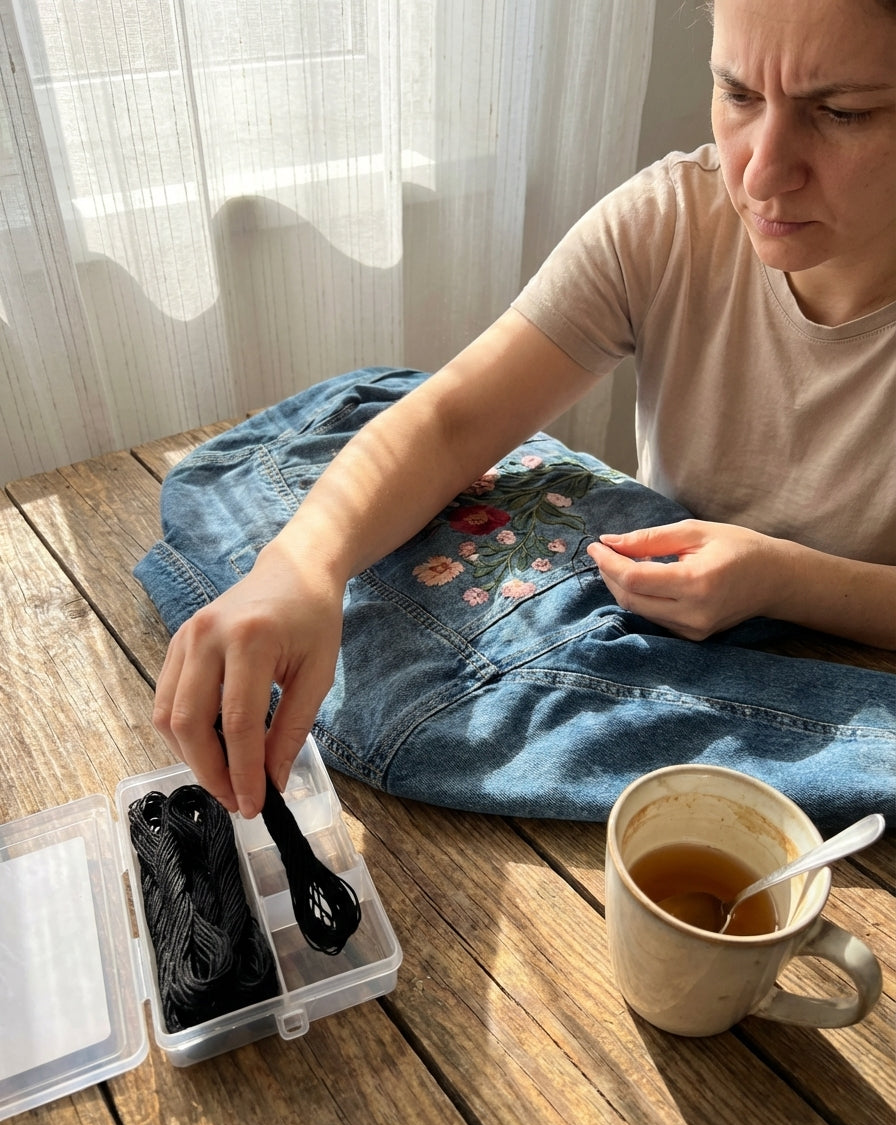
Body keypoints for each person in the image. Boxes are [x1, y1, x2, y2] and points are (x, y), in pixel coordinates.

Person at [147, 0, 896, 821]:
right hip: (655, 641)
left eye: (841, 113)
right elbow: (451, 418)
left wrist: (786, 581)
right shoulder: (673, 220)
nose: (760, 173)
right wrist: (298, 570)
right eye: (738, 95)